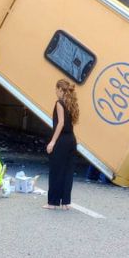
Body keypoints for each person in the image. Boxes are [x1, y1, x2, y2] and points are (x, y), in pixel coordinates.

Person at [44, 79, 79, 210]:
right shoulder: (71, 103)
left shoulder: (59, 103)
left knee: (56, 171)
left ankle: (52, 203)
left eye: (56, 89)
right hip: (71, 140)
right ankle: (65, 203)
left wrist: (52, 141)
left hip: (62, 141)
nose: (55, 92)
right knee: (67, 172)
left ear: (60, 89)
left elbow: (61, 123)